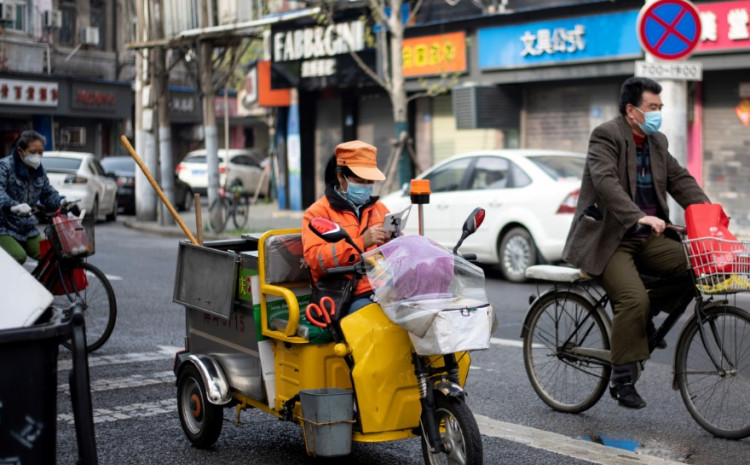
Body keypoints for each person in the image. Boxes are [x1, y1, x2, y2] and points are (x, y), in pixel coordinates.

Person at [562, 77, 710, 409]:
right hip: (608, 240)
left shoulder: (657, 142)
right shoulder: (606, 136)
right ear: (632, 111)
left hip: (648, 238)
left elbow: (680, 180)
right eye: (652, 107)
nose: (658, 113)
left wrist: (709, 213)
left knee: (696, 264)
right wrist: (637, 215)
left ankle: (642, 317)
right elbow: (605, 181)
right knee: (632, 298)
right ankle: (622, 379)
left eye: (660, 107)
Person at [302, 140, 390, 315]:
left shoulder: (379, 209)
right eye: (359, 181)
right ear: (341, 176)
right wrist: (361, 243)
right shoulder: (317, 213)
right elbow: (316, 259)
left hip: (383, 289)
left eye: (369, 182)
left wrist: (395, 241)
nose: (365, 187)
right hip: (344, 293)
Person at [0, 130, 66, 264]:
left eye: (40, 152)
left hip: (27, 228)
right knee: (18, 256)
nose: (37, 156)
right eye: (33, 152)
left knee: (53, 255)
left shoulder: (39, 172)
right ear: (20, 151)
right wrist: (12, 206)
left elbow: (47, 194)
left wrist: (61, 201)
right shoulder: (5, 167)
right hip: (3, 227)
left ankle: (40, 285)